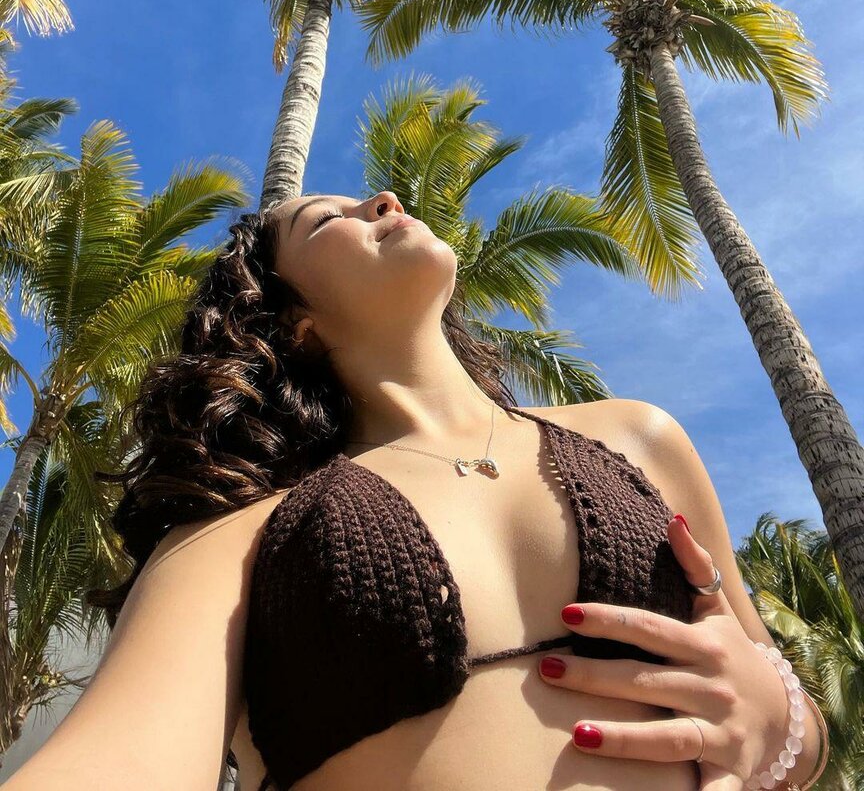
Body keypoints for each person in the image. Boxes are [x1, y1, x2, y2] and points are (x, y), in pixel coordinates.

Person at [4, 191, 828, 791]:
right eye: (325, 219)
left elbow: (796, 727)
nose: (382, 199)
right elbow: (118, 757)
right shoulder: (248, 531)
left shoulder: (638, 437)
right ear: (294, 323)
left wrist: (781, 718)